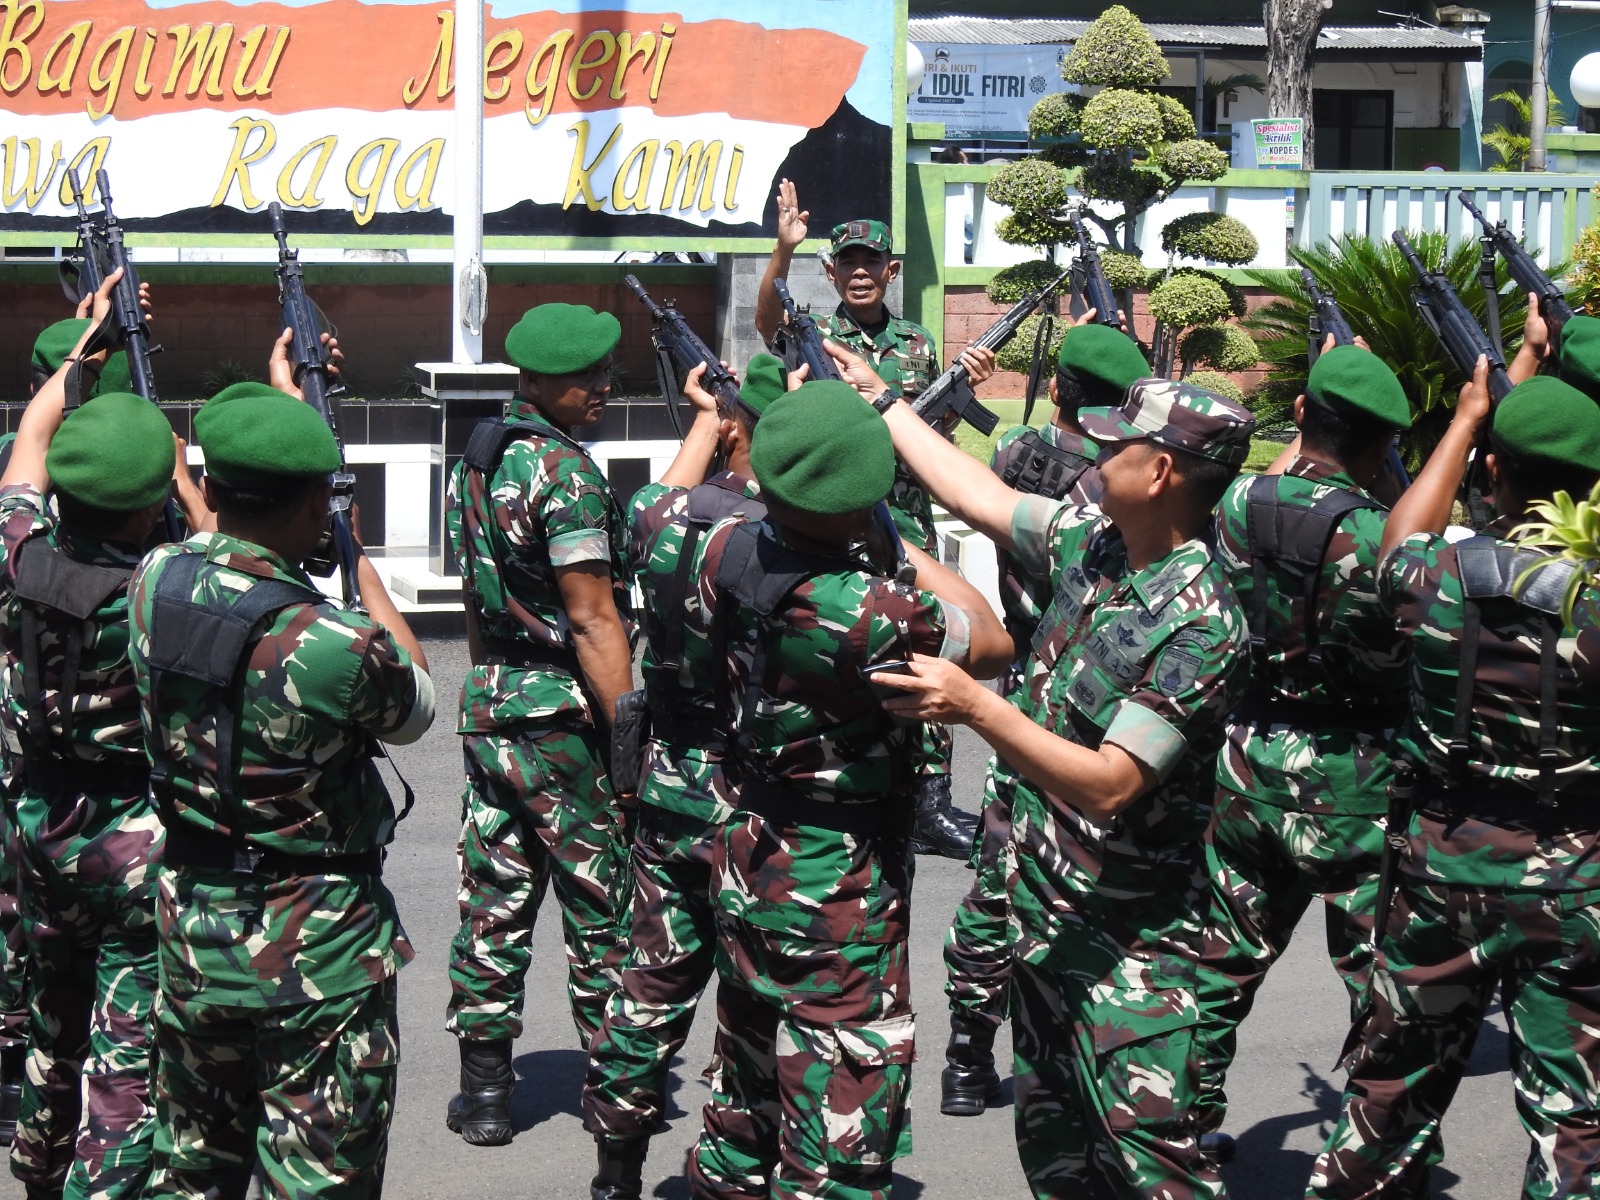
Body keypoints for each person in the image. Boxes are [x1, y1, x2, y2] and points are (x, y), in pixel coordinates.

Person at [849, 352, 1256, 1200]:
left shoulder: (1202, 621)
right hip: (1042, 911)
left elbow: (1111, 782)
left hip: (1133, 949)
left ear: (1162, 472)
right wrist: (885, 403)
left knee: (1152, 1166)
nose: (1096, 454)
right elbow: (979, 496)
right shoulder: (1098, 542)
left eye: (1117, 446)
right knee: (1056, 1154)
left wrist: (975, 706)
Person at [685, 381, 1011, 1200]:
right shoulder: (871, 611)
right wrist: (901, 549)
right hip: (839, 879)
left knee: (747, 1080)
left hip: (749, 844)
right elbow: (993, 640)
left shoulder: (718, 550)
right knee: (840, 1118)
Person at [131, 373, 433, 1198]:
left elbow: (213, 555)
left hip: (195, 929)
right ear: (313, 505)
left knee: (193, 1171)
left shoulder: (153, 583)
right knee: (317, 1179)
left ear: (214, 488)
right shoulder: (333, 642)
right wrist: (357, 564)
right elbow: (417, 703)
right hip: (316, 952)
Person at [1307, 367, 1600, 1200]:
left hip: (1440, 864)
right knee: (1576, 1120)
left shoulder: (1433, 576)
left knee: (1389, 1090)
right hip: (1576, 875)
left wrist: (1466, 422)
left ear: (1494, 469)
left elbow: (1397, 538)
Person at [1189, 346, 1414, 1161]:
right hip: (1358, 782)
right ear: (1385, 443)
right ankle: (1369, 1157)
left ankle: (1177, 1128)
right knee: (1379, 985)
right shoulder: (1382, 539)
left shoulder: (1235, 505)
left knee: (1216, 964)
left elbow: (1286, 486)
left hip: (1249, 762)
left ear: (1299, 417)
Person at [580, 354, 792, 1198]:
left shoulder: (661, 516)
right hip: (758, 794)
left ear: (734, 429)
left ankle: (615, 1171)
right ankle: (737, 1164)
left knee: (649, 981)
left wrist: (707, 417)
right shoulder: (793, 537)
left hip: (672, 777)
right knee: (753, 995)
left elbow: (663, 495)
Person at [939, 316, 1149, 1119]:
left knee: (997, 880)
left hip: (1027, 678)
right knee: (1100, 879)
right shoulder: (1116, 492)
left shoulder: (1014, 456)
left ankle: (967, 1057)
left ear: (1057, 388)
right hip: (1102, 702)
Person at [755, 178, 999, 861]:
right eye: (848, 262)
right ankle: (854, 775)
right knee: (849, 644)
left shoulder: (917, 342)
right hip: (842, 519)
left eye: (872, 262)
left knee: (930, 645)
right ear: (831, 272)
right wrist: (782, 250)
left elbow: (933, 437)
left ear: (891, 271)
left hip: (908, 520)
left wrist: (962, 390)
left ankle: (931, 801)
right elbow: (767, 323)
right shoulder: (813, 335)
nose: (860, 272)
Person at [444, 302, 635, 1147]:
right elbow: (593, 618)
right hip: (563, 714)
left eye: (604, 373)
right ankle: (615, 1087)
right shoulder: (565, 472)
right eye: (587, 377)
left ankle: (486, 1093)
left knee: (493, 896)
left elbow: (473, 592)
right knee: (600, 900)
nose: (603, 388)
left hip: (493, 703)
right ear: (539, 381)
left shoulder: (480, 457)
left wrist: (490, 680)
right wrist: (629, 737)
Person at [0, 273, 174, 1200]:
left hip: (40, 822)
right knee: (125, 1049)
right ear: (150, 505)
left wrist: (87, 346)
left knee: (52, 1019)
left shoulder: (18, 554)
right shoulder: (171, 588)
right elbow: (227, 527)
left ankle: (37, 1168)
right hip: (134, 842)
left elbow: (29, 443)